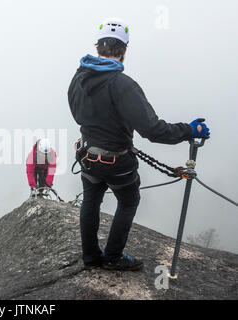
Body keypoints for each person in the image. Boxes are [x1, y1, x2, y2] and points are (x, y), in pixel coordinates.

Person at [68, 18, 210, 271]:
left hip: (87, 154)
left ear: (98, 47)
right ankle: (113, 257)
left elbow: (78, 114)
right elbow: (152, 129)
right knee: (129, 200)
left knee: (91, 201)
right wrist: (189, 129)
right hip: (116, 161)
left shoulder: (79, 78)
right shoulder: (122, 85)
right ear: (124, 50)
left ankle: (91, 257)